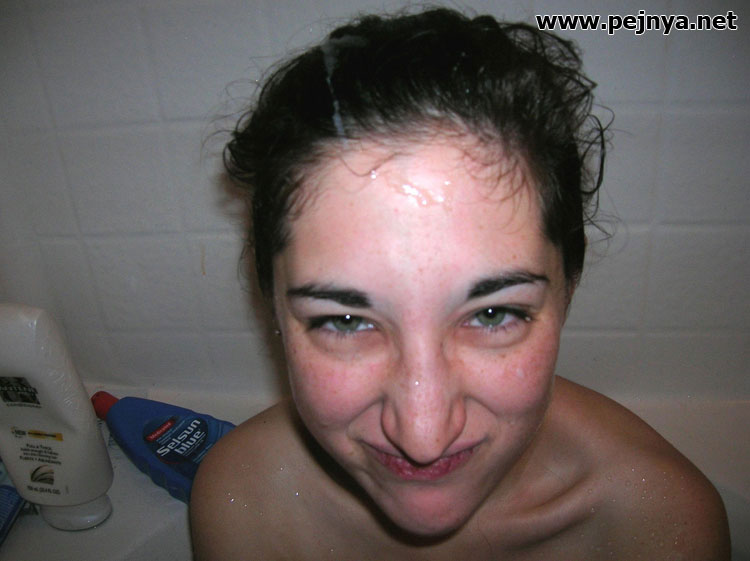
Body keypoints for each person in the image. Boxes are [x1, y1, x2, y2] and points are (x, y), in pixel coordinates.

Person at [190, 8, 730, 560]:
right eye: (345, 321)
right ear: (272, 307)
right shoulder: (246, 506)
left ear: (568, 288)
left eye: (493, 314)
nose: (423, 437)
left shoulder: (658, 529)